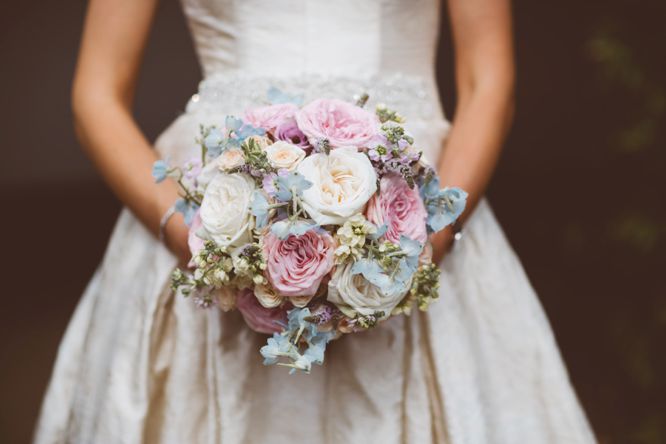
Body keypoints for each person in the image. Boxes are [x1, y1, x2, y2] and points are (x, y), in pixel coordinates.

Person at [34, 0, 596, 442]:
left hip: (414, 201)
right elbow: (96, 94)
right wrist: (198, 239)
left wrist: (426, 241)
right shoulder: (201, 234)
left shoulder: (425, 232)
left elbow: (486, 83)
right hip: (215, 205)